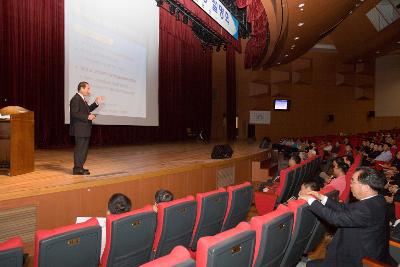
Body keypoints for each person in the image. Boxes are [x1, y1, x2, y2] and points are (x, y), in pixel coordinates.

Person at [299, 167, 391, 267]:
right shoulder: (377, 199)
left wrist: (311, 201)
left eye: (353, 182)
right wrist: (322, 198)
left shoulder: (367, 209)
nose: (350, 185)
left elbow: (335, 218)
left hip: (358, 260)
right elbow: (346, 208)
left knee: (310, 265)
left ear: (365, 187)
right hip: (360, 249)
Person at [69, 81, 104, 175]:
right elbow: (74, 113)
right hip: (79, 129)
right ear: (82, 88)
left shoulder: (82, 99)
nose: (89, 90)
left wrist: (96, 103)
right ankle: (77, 169)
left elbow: (88, 110)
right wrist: (87, 117)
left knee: (84, 149)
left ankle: (80, 167)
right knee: (80, 149)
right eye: (88, 88)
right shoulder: (75, 99)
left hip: (84, 128)